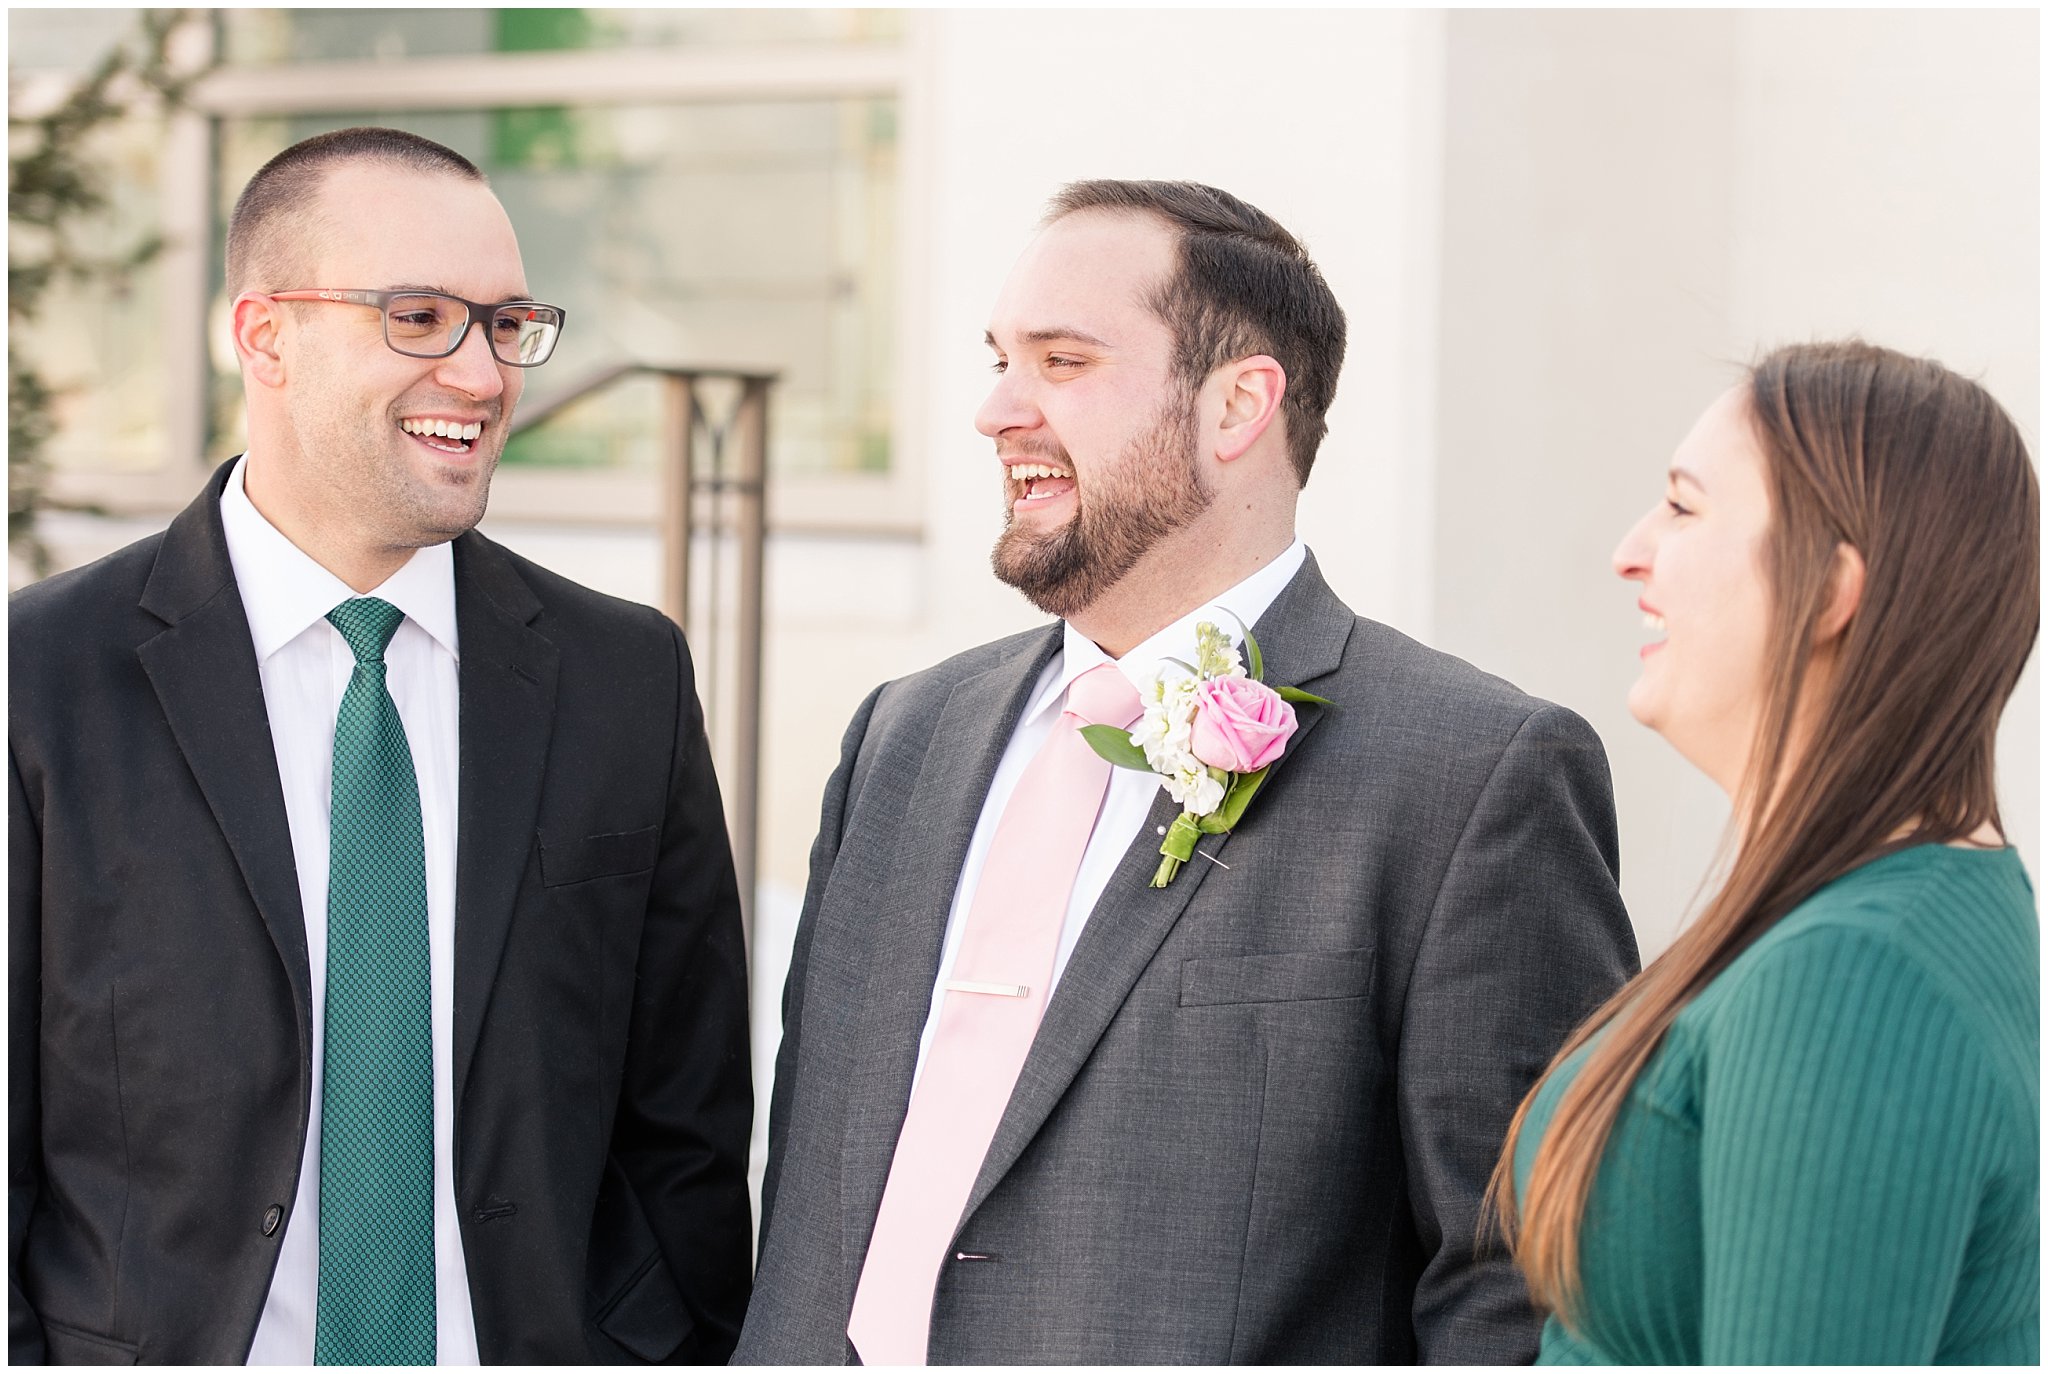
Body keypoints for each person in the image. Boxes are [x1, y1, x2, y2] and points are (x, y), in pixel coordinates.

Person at [734, 180, 1638, 1365]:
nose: (995, 410)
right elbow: (809, 1183)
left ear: (1236, 406)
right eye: (1000, 359)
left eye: (1061, 361)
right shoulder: (903, 738)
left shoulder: (1473, 778)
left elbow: (1520, 1276)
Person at [9, 127, 753, 1364]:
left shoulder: (627, 676)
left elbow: (685, 1125)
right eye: (418, 317)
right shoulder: (38, 677)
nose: (479, 373)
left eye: (505, 323)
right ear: (264, 336)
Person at [1493, 341, 2040, 1364]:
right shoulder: (1910, 906)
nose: (1628, 550)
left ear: (1829, 588)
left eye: (1683, 508)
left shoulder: (1855, 976)